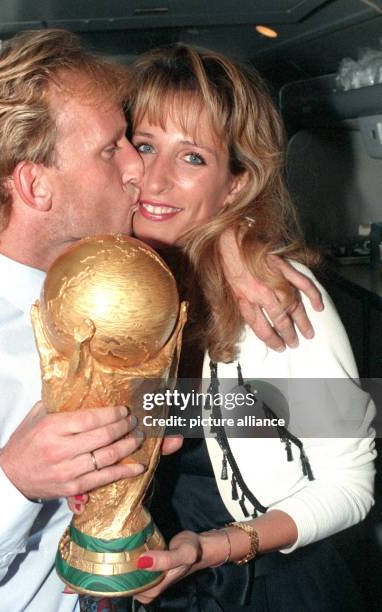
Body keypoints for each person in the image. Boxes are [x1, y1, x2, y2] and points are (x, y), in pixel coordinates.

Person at [0, 30, 324, 612]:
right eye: (116, 149)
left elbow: (331, 419)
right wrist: (13, 482)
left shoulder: (180, 280)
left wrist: (235, 239)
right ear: (35, 184)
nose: (142, 173)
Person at [72, 44, 376, 610]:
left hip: (259, 579)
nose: (156, 180)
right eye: (144, 146)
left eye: (193, 158)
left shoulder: (279, 302)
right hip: (138, 580)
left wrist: (214, 549)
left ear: (235, 184)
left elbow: (351, 486)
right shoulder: (98, 287)